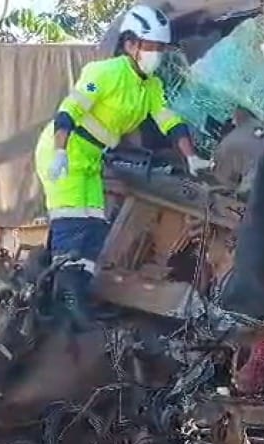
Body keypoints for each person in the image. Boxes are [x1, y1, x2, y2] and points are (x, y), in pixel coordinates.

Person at [34, 4, 212, 328]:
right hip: (67, 151)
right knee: (72, 226)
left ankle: (79, 300)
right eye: (151, 46)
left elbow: (170, 123)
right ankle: (66, 303)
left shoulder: (151, 87)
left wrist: (191, 157)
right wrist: (59, 152)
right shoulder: (104, 73)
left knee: (94, 230)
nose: (157, 54)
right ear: (130, 44)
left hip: (91, 158)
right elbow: (69, 112)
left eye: (161, 48)